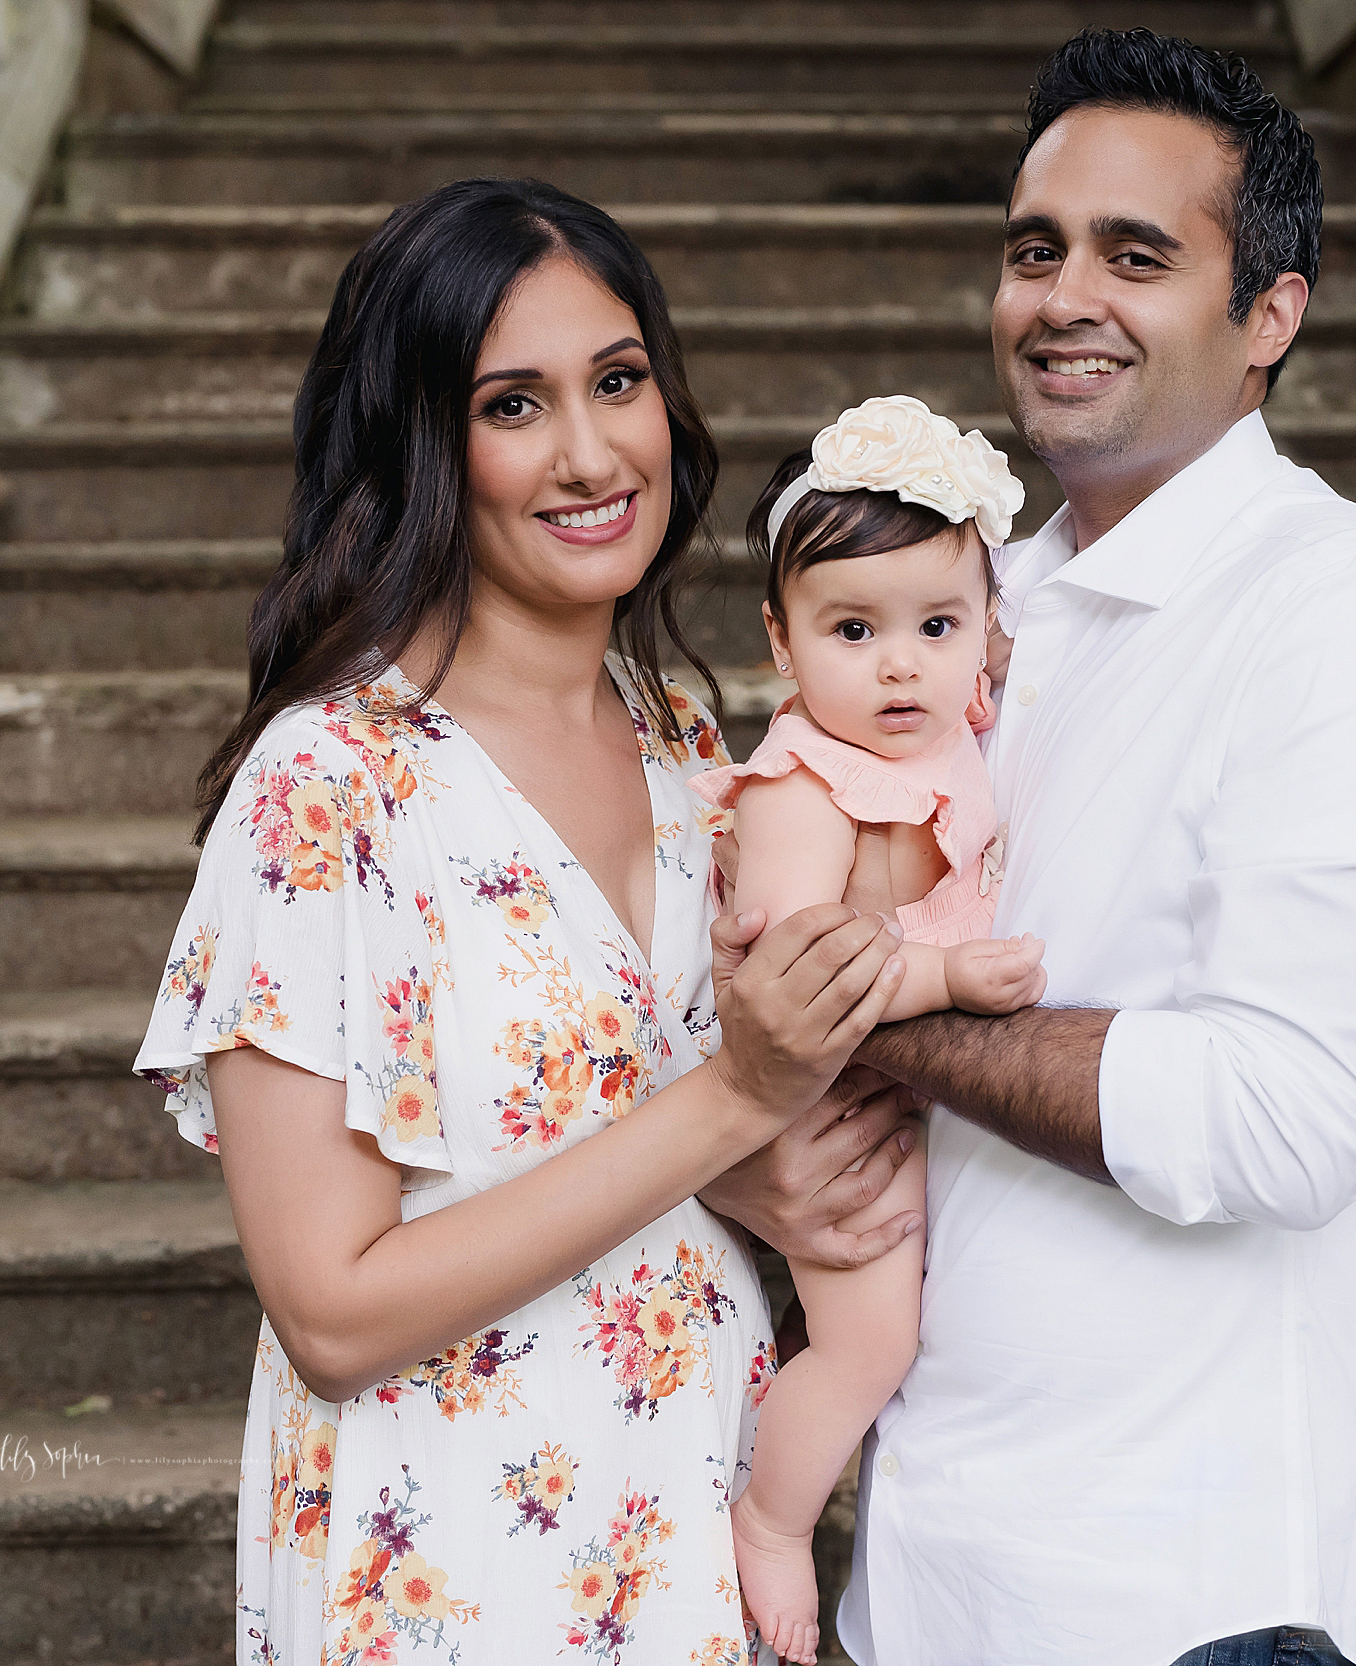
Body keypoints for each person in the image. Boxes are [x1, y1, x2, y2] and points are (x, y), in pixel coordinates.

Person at [713, 30, 1356, 1666]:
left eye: (1135, 255)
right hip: (934, 1576)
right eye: (1036, 248)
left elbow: (1285, 1120)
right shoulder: (985, 627)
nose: (1063, 293)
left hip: (1190, 1598)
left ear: (1271, 312)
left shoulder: (1351, 618)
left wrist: (871, 1007)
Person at [132, 177, 928, 1666]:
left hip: (689, 1518)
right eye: (514, 404)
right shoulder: (331, 789)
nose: (589, 453)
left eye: (616, 381)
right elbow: (333, 1309)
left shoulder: (691, 741)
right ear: (422, 444)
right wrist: (741, 1097)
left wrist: (764, 1174)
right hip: (450, 1557)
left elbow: (632, 1136)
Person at [691, 395, 1047, 1662]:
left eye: (937, 626)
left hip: (917, 1095)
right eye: (855, 629)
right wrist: (946, 977)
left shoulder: (952, 725)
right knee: (870, 1338)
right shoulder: (806, 782)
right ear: (783, 644)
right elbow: (802, 976)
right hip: (830, 1108)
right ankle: (775, 1518)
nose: (901, 664)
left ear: (986, 633)